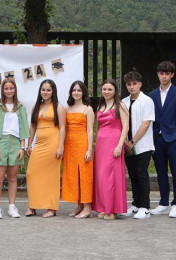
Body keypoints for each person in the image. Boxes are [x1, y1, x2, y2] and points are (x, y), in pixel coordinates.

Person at [148, 61, 176, 218]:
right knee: (160, 172)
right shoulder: (152, 95)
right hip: (157, 138)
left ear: (172, 75)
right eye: (161, 73)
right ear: (158, 74)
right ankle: (164, 202)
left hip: (173, 139)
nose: (164, 76)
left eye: (167, 73)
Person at [0, 77, 29, 219]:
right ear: (2, 90)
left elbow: (23, 128)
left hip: (16, 143)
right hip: (1, 141)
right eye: (6, 88)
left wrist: (22, 147)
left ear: (15, 89)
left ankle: (12, 206)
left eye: (11, 88)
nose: (9, 91)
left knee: (13, 178)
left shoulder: (21, 107)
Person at [25, 79, 66, 218]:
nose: (46, 92)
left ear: (53, 91)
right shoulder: (36, 106)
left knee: (51, 176)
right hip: (39, 143)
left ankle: (51, 207)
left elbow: (63, 128)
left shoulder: (58, 107)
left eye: (48, 90)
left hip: (53, 144)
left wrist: (61, 146)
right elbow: (32, 127)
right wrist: (29, 144)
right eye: (43, 89)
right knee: (31, 173)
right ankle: (33, 205)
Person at [92, 79, 130, 220]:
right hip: (101, 145)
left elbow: (125, 127)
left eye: (110, 89)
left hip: (114, 142)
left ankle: (112, 209)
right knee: (101, 176)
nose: (106, 92)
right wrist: (95, 144)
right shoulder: (100, 106)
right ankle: (102, 207)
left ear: (115, 91)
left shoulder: (121, 105)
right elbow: (98, 127)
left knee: (110, 176)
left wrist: (120, 146)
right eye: (104, 89)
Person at [121, 71, 155, 220]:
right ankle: (135, 204)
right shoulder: (124, 102)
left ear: (140, 84)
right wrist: (125, 142)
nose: (132, 87)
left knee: (141, 174)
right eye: (129, 84)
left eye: (134, 84)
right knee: (133, 175)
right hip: (127, 145)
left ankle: (145, 207)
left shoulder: (147, 101)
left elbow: (146, 123)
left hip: (142, 145)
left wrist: (133, 141)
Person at [62, 80, 94, 219]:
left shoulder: (88, 109)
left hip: (82, 144)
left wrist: (89, 149)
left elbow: (90, 131)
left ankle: (87, 207)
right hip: (70, 145)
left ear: (83, 93)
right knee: (73, 175)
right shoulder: (67, 108)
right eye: (74, 90)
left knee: (84, 175)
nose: (76, 93)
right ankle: (79, 205)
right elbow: (64, 128)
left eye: (79, 90)